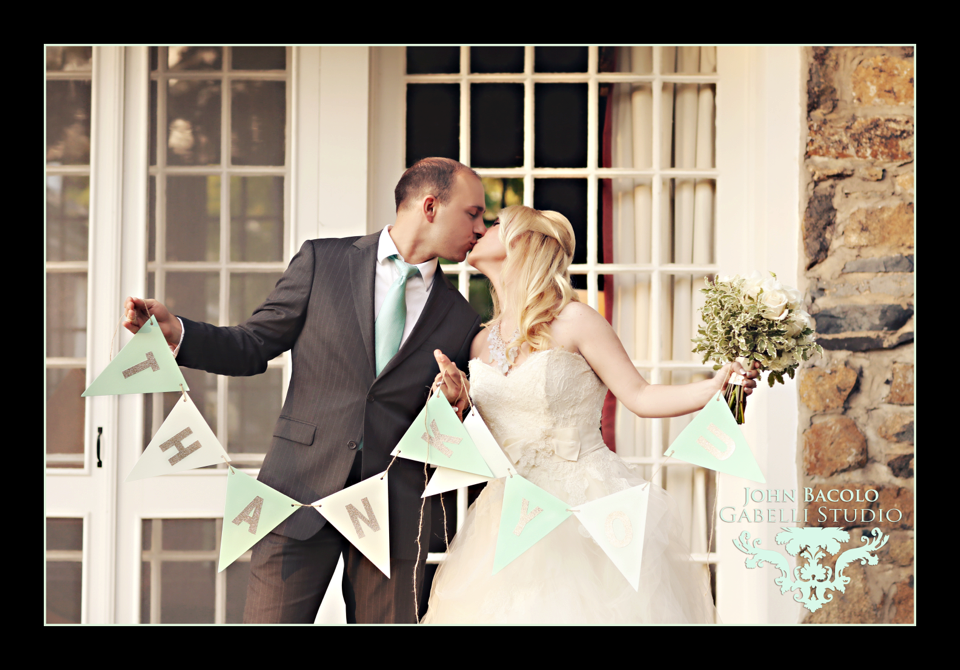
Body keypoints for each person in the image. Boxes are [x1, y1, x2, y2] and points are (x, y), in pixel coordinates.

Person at [123, 157, 486, 624]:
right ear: (431, 206)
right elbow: (252, 345)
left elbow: (449, 424)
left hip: (393, 516)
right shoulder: (323, 261)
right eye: (473, 213)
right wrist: (179, 333)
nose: (481, 226)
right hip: (295, 494)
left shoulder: (460, 316)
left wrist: (458, 405)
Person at [422, 205, 759, 624]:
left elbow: (640, 395)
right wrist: (457, 403)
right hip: (510, 516)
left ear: (520, 244)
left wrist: (713, 388)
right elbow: (485, 442)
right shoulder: (477, 342)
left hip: (587, 506)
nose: (479, 231)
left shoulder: (574, 320)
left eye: (493, 225)